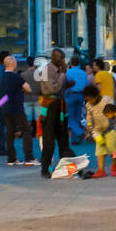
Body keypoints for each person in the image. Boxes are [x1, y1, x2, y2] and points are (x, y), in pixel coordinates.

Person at [39, 49, 76, 178]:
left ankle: (68, 167)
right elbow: (52, 88)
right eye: (62, 58)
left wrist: (68, 83)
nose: (64, 61)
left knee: (63, 138)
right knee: (49, 140)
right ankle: (45, 169)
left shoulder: (60, 71)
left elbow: (61, 87)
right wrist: (62, 75)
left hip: (60, 105)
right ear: (55, 58)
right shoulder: (45, 71)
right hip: (49, 106)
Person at [0, 55, 36, 166]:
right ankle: (29, 157)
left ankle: (11, 158)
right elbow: (28, 88)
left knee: (9, 132)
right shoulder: (15, 77)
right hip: (16, 108)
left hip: (5, 108)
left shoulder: (3, 77)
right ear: (13, 64)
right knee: (25, 131)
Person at [84, 84, 115, 178]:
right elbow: (89, 116)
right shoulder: (88, 105)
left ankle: (114, 166)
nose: (89, 101)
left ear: (97, 95)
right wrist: (89, 126)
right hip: (97, 130)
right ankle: (101, 170)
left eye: (90, 99)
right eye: (87, 99)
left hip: (110, 129)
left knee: (112, 149)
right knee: (100, 151)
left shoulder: (107, 100)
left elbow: (114, 112)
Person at [65, 55, 89, 142]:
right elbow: (87, 85)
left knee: (71, 117)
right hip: (80, 95)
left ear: (71, 63)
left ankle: (79, 133)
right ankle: (75, 139)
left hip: (71, 95)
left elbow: (65, 85)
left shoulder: (67, 72)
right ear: (79, 63)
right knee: (78, 116)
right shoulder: (83, 73)